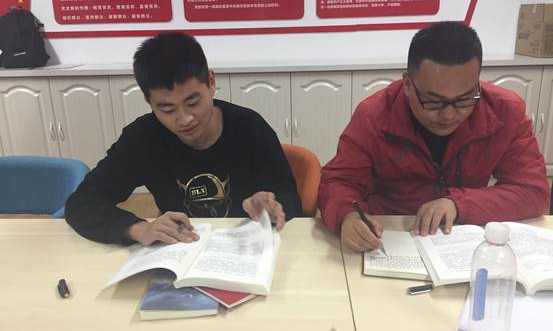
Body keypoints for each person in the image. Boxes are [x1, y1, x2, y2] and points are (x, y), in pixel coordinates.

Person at [318, 21, 549, 252]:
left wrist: (459, 204)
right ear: (408, 84)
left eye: (464, 99)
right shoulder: (374, 115)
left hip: (461, 235)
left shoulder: (504, 111)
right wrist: (347, 216)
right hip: (391, 234)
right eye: (433, 101)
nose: (448, 115)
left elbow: (533, 192)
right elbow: (338, 181)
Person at [65, 32, 301, 246]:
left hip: (245, 247)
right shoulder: (142, 139)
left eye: (193, 102)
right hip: (181, 251)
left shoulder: (249, 127)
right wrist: (139, 229)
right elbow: (82, 204)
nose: (185, 118)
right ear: (149, 102)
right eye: (167, 109)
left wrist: (271, 206)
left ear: (211, 82)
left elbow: (289, 198)